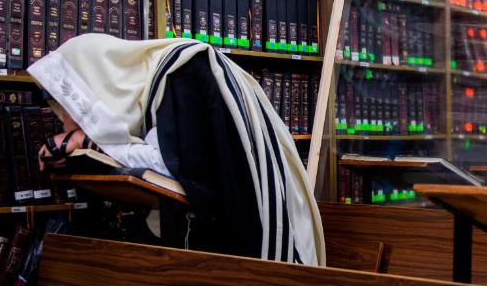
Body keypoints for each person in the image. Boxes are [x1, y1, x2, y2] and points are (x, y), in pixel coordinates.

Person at [29, 34, 325, 265]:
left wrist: (87, 143)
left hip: (258, 241)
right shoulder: (160, 82)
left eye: (72, 105)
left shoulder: (181, 72)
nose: (67, 122)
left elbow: (172, 164)